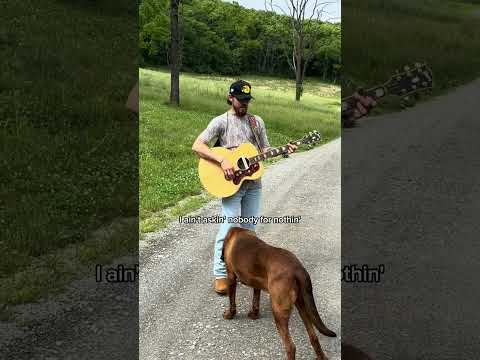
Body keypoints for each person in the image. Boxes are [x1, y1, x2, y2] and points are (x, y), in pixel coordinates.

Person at [192, 80, 298, 294]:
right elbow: (198, 145)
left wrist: (283, 150)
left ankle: (243, 270)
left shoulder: (256, 122)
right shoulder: (221, 121)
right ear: (231, 98)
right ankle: (221, 273)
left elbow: (265, 148)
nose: (244, 105)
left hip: (253, 184)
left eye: (247, 101)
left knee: (249, 230)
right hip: (230, 184)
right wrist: (222, 161)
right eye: (241, 100)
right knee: (230, 226)